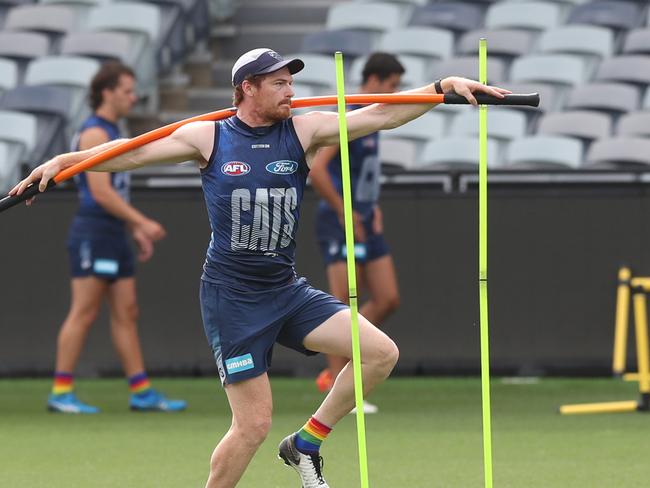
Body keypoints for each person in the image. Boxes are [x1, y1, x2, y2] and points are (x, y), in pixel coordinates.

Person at [11, 48, 509, 487]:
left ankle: (307, 444)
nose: (290, 90)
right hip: (232, 297)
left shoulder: (303, 128)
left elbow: (382, 115)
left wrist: (443, 89)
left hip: (285, 288)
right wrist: (65, 160)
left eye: (291, 81)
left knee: (379, 353)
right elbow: (132, 152)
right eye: (279, 82)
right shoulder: (208, 136)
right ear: (247, 88)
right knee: (251, 426)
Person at [45, 61, 186, 414]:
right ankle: (61, 391)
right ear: (106, 92)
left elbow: (114, 195)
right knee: (85, 311)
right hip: (94, 231)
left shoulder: (111, 128)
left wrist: (133, 229)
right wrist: (143, 222)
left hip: (113, 232)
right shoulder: (94, 133)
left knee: (127, 310)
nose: (133, 97)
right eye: (126, 91)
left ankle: (141, 392)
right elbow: (102, 194)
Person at [311, 53, 404, 414]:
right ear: (375, 80)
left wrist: (370, 206)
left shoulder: (374, 115)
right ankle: (339, 387)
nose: (395, 92)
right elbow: (318, 169)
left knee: (387, 298)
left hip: (365, 218)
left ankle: (342, 364)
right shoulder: (350, 115)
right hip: (341, 220)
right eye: (392, 85)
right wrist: (345, 211)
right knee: (343, 303)